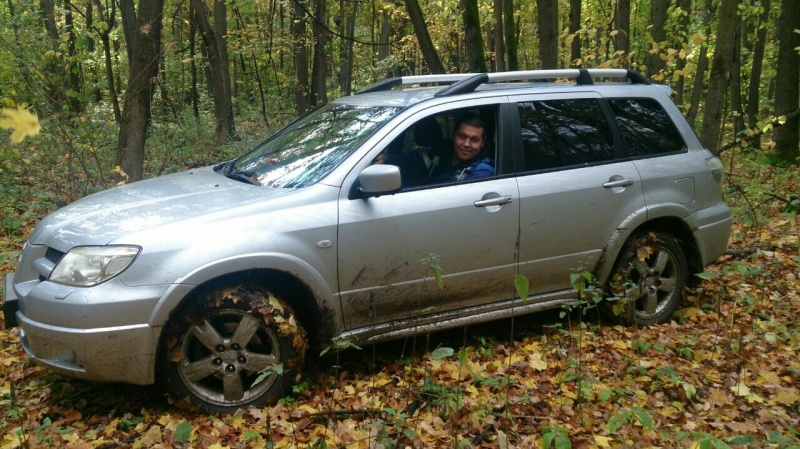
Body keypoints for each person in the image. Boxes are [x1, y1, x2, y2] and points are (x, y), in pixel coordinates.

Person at [374, 113, 494, 186]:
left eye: (474, 140)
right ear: (454, 135)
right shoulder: (441, 154)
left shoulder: (482, 171)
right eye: (462, 137)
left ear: (483, 142)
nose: (466, 144)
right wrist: (387, 158)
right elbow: (413, 160)